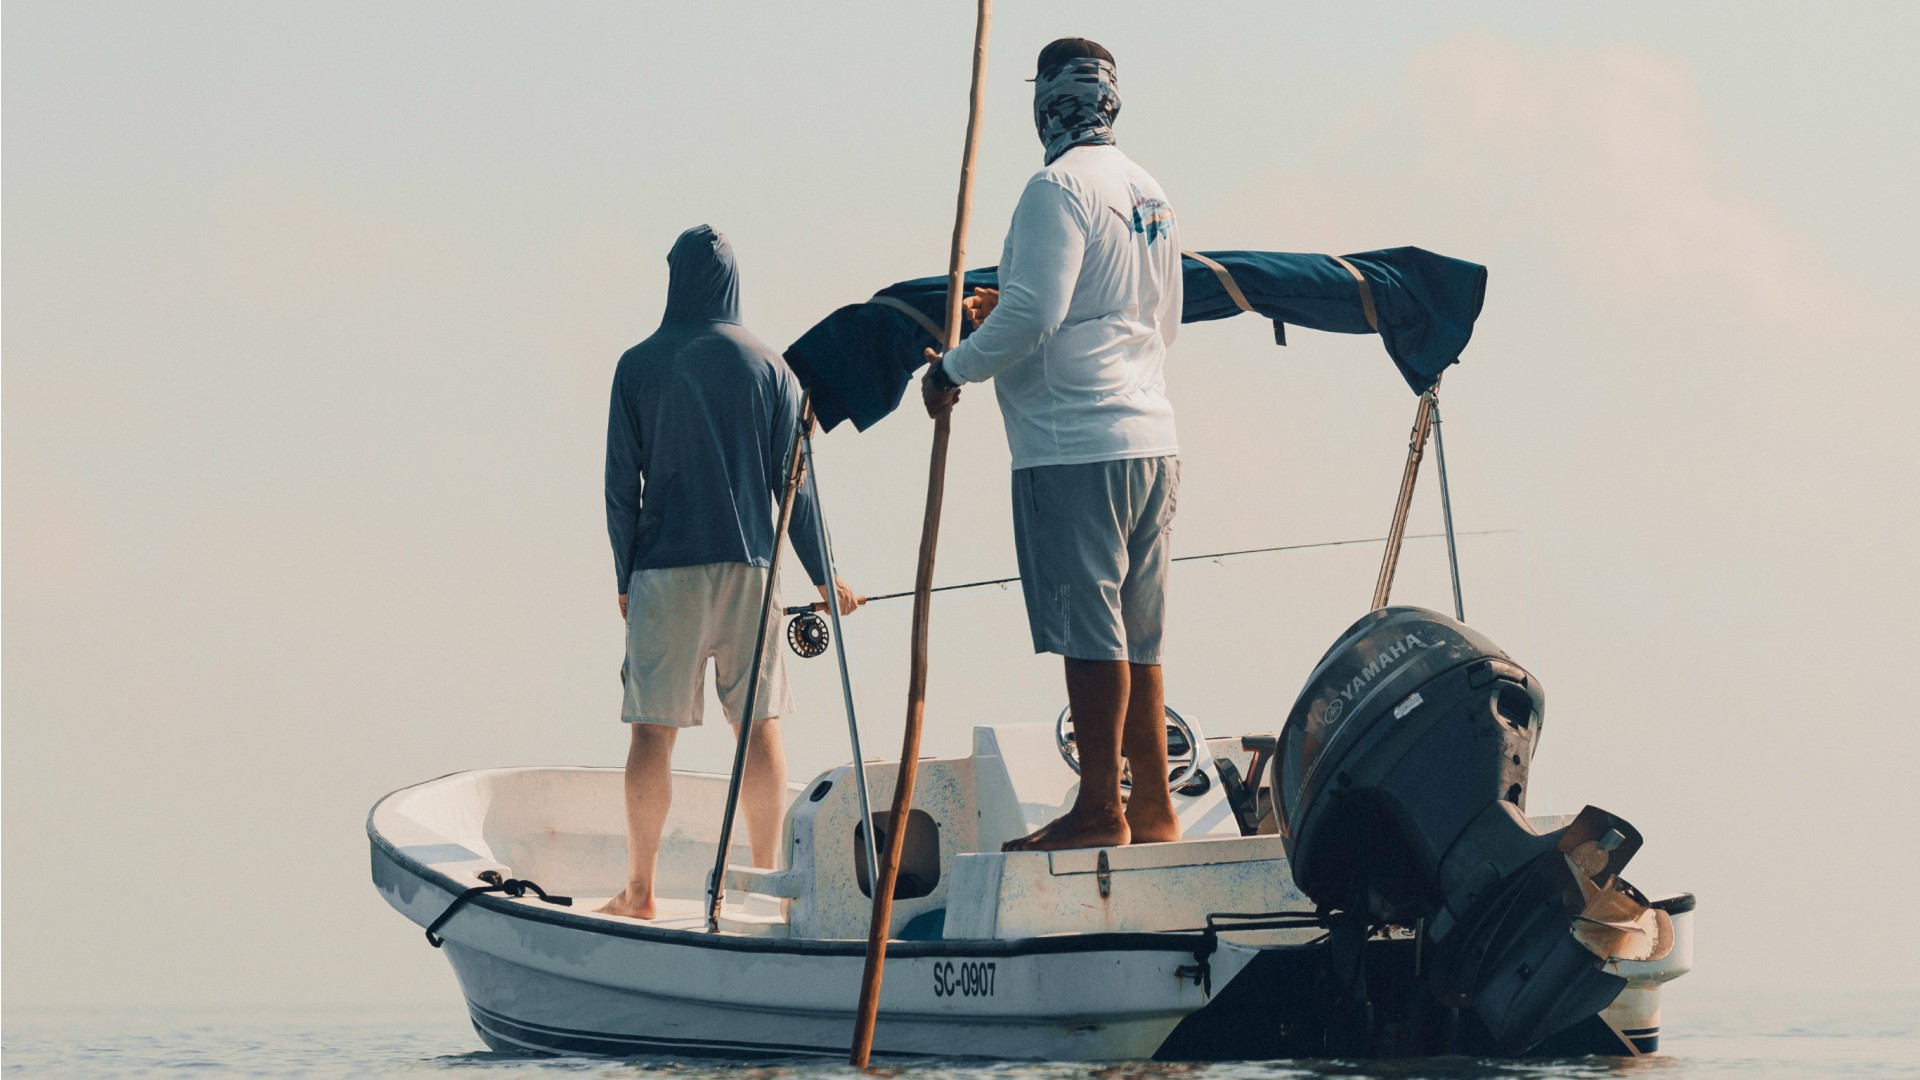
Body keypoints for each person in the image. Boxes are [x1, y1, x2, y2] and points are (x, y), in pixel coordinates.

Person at [922, 38, 1185, 853]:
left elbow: (1035, 316)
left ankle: (1101, 808)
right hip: (1151, 439)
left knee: (1089, 633)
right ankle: (1154, 812)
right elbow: (1151, 315)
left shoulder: (1054, 188)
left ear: (1046, 104)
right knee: (1138, 639)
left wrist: (953, 368)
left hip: (1073, 447)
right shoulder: (1150, 192)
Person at [602, 224, 858, 919]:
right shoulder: (772, 368)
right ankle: (770, 885)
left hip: (664, 570)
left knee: (653, 733)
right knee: (759, 727)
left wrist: (625, 573)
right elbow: (796, 485)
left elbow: (622, 482)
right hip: (754, 570)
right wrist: (824, 576)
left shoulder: (637, 364)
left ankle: (642, 891)